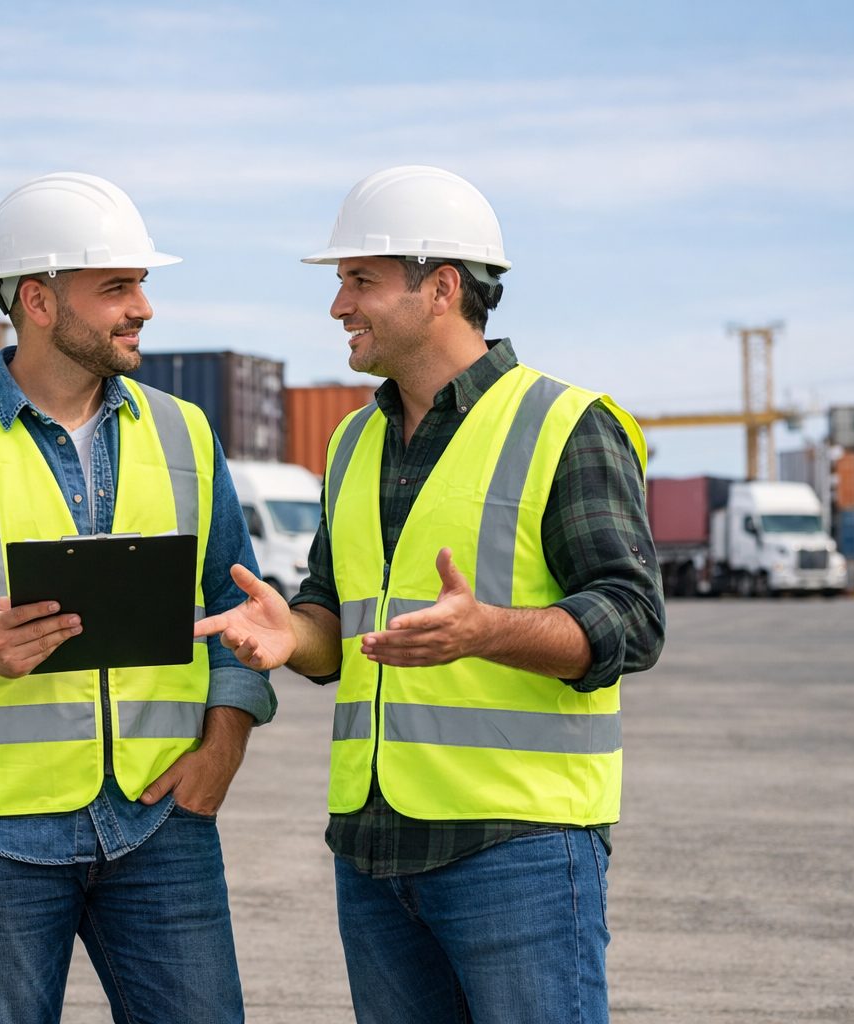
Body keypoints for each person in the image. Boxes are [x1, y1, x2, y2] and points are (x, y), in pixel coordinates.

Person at [196, 165, 665, 1024]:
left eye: (359, 280)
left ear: (442, 287)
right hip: (372, 853)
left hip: (517, 851)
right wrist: (289, 635)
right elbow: (336, 622)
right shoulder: (349, 442)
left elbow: (632, 619)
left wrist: (489, 630)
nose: (338, 305)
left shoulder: (565, 425)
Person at [0, 171, 274, 1024]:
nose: (142, 306)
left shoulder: (186, 433)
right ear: (37, 299)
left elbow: (235, 607)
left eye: (142, 284)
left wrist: (222, 748)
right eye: (116, 286)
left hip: (160, 823)